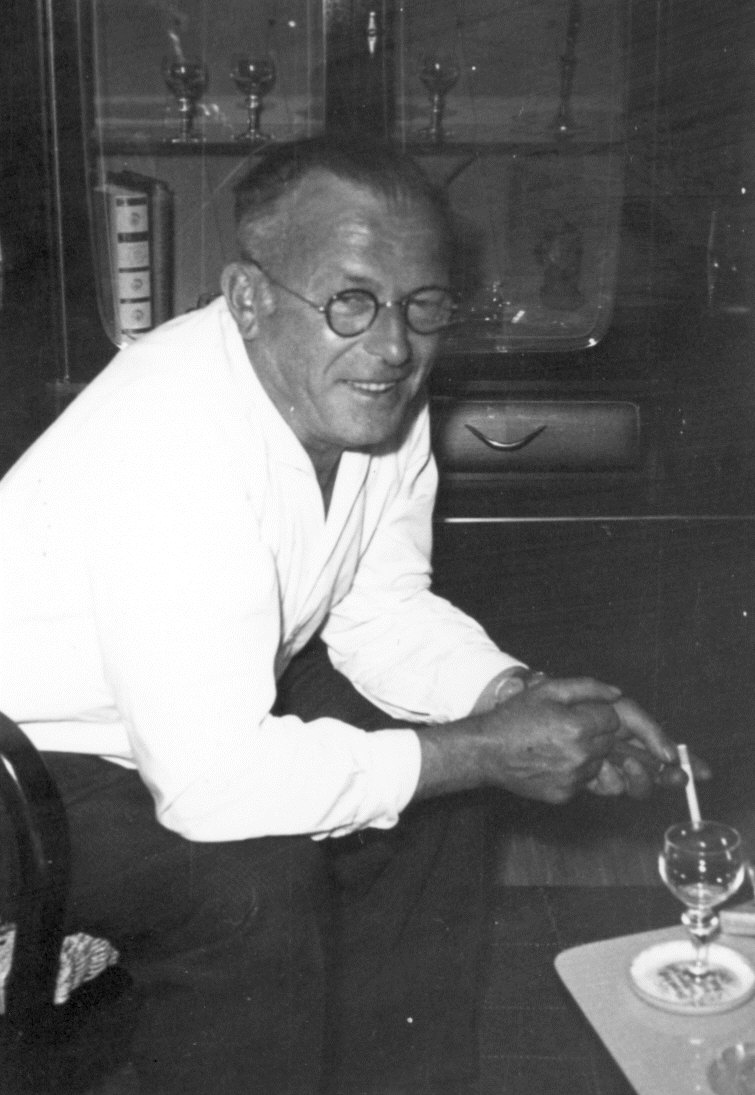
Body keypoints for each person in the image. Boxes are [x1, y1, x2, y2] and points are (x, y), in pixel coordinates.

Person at [0, 137, 704, 1095]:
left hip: (151, 719)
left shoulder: (370, 397)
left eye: (423, 305)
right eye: (350, 301)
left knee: (435, 789)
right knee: (248, 888)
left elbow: (378, 610)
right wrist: (485, 750)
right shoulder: (171, 439)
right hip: (24, 764)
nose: (393, 347)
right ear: (248, 299)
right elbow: (210, 785)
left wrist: (513, 696)